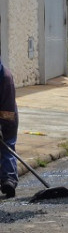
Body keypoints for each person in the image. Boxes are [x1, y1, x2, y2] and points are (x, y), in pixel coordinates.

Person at [0, 57, 19, 198]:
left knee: (7, 145)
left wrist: (2, 128)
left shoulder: (5, 78)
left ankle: (9, 180)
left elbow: (7, 110)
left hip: (7, 116)